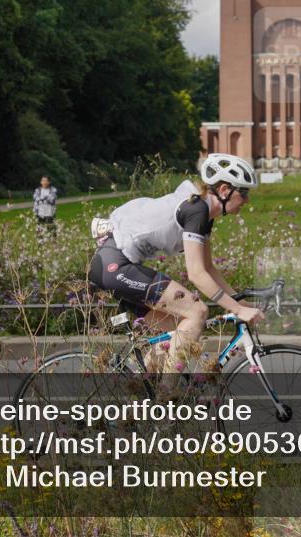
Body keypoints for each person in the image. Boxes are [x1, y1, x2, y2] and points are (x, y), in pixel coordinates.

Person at [88, 153, 265, 373]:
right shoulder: (196, 210)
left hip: (115, 265)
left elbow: (209, 267)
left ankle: (145, 390)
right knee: (198, 312)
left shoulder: (204, 215)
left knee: (178, 331)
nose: (247, 200)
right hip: (115, 266)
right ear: (224, 190)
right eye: (243, 192)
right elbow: (197, 273)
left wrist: (238, 300)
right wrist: (236, 309)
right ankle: (168, 394)